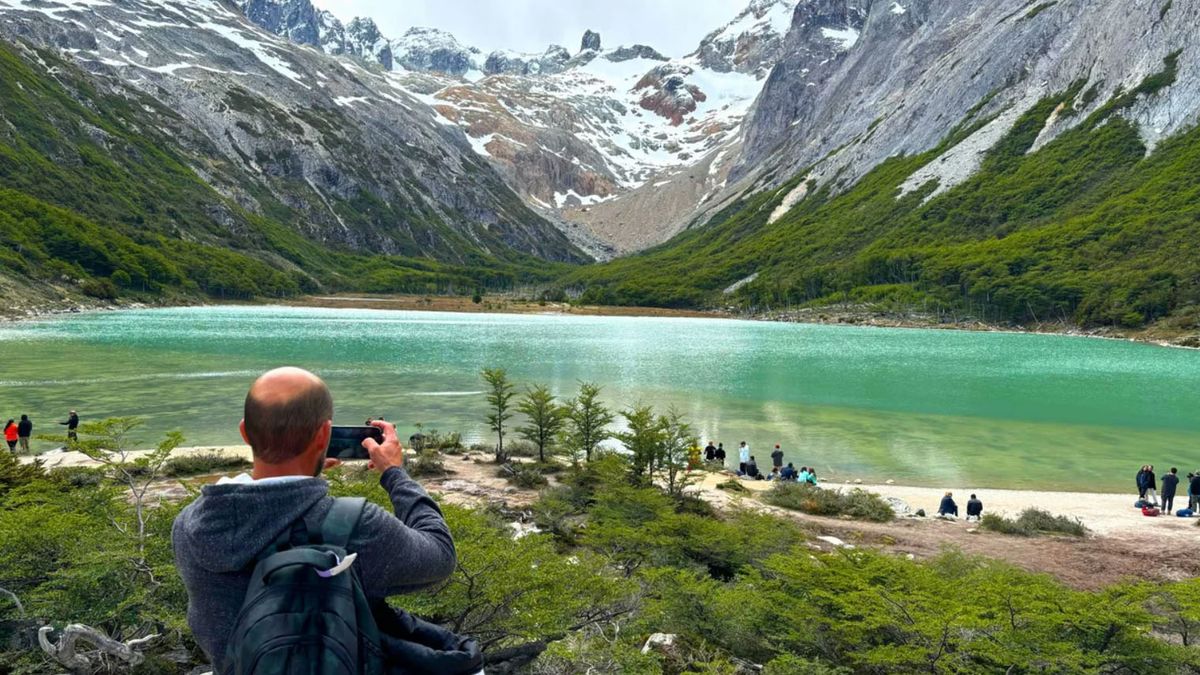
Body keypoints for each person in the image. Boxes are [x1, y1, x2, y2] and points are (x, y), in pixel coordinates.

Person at [172, 367, 457, 671]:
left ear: (244, 432)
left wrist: (305, 478)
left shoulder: (189, 526)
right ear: (324, 435)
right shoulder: (355, 527)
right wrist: (395, 474)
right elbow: (440, 554)